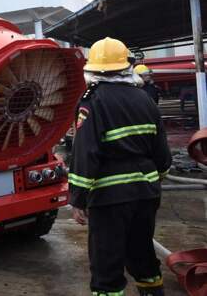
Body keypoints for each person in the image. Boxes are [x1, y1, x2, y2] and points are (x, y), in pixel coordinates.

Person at [69, 37, 172, 296]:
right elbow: (162, 151)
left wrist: (78, 199)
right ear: (126, 66)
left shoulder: (92, 102)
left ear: (92, 70)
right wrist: (156, 178)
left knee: (107, 265)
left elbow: (85, 153)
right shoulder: (145, 98)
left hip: (110, 198)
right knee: (142, 253)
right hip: (147, 193)